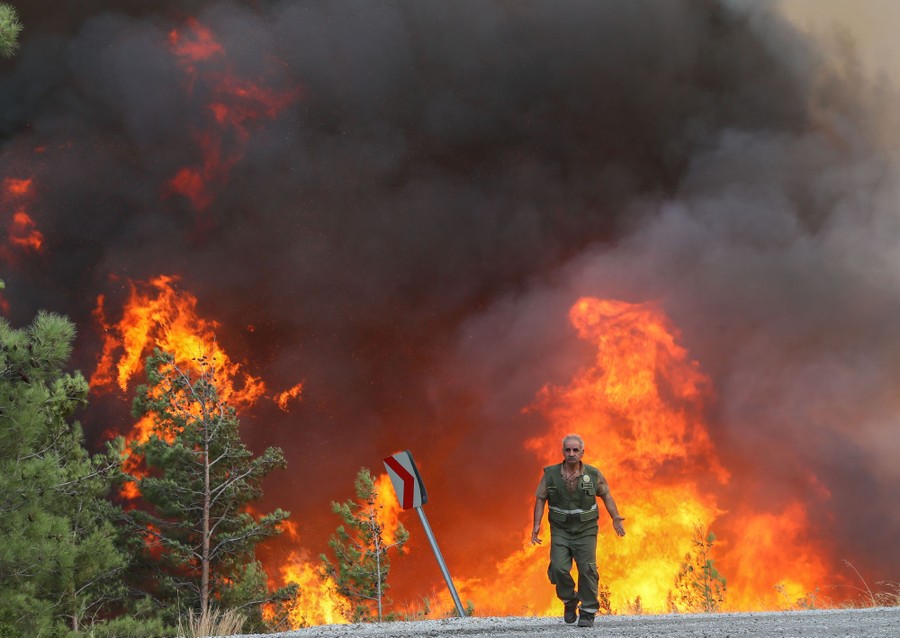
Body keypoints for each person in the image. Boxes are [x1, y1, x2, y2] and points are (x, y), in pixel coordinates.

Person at [531, 434, 625, 627]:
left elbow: (606, 494)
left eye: (575, 450)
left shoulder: (592, 474)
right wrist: (536, 525)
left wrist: (615, 517)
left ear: (582, 452)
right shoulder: (551, 474)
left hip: (586, 530)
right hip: (560, 530)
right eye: (568, 450)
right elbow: (540, 498)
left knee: (587, 569)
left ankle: (588, 611)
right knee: (558, 568)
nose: (571, 453)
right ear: (563, 452)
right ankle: (569, 600)